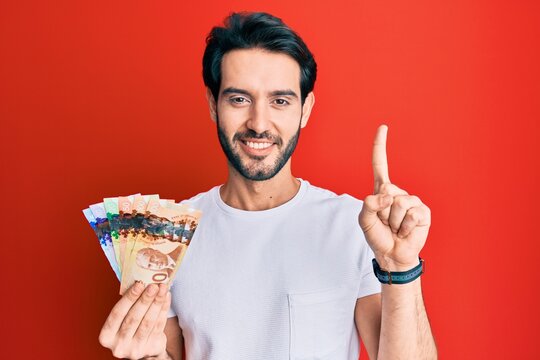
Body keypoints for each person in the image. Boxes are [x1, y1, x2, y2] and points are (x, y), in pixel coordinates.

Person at [98, 12, 437, 360]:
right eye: (239, 99)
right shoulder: (169, 236)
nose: (259, 123)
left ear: (305, 109)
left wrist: (401, 267)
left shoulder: (355, 225)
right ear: (213, 105)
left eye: (280, 101)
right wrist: (148, 357)